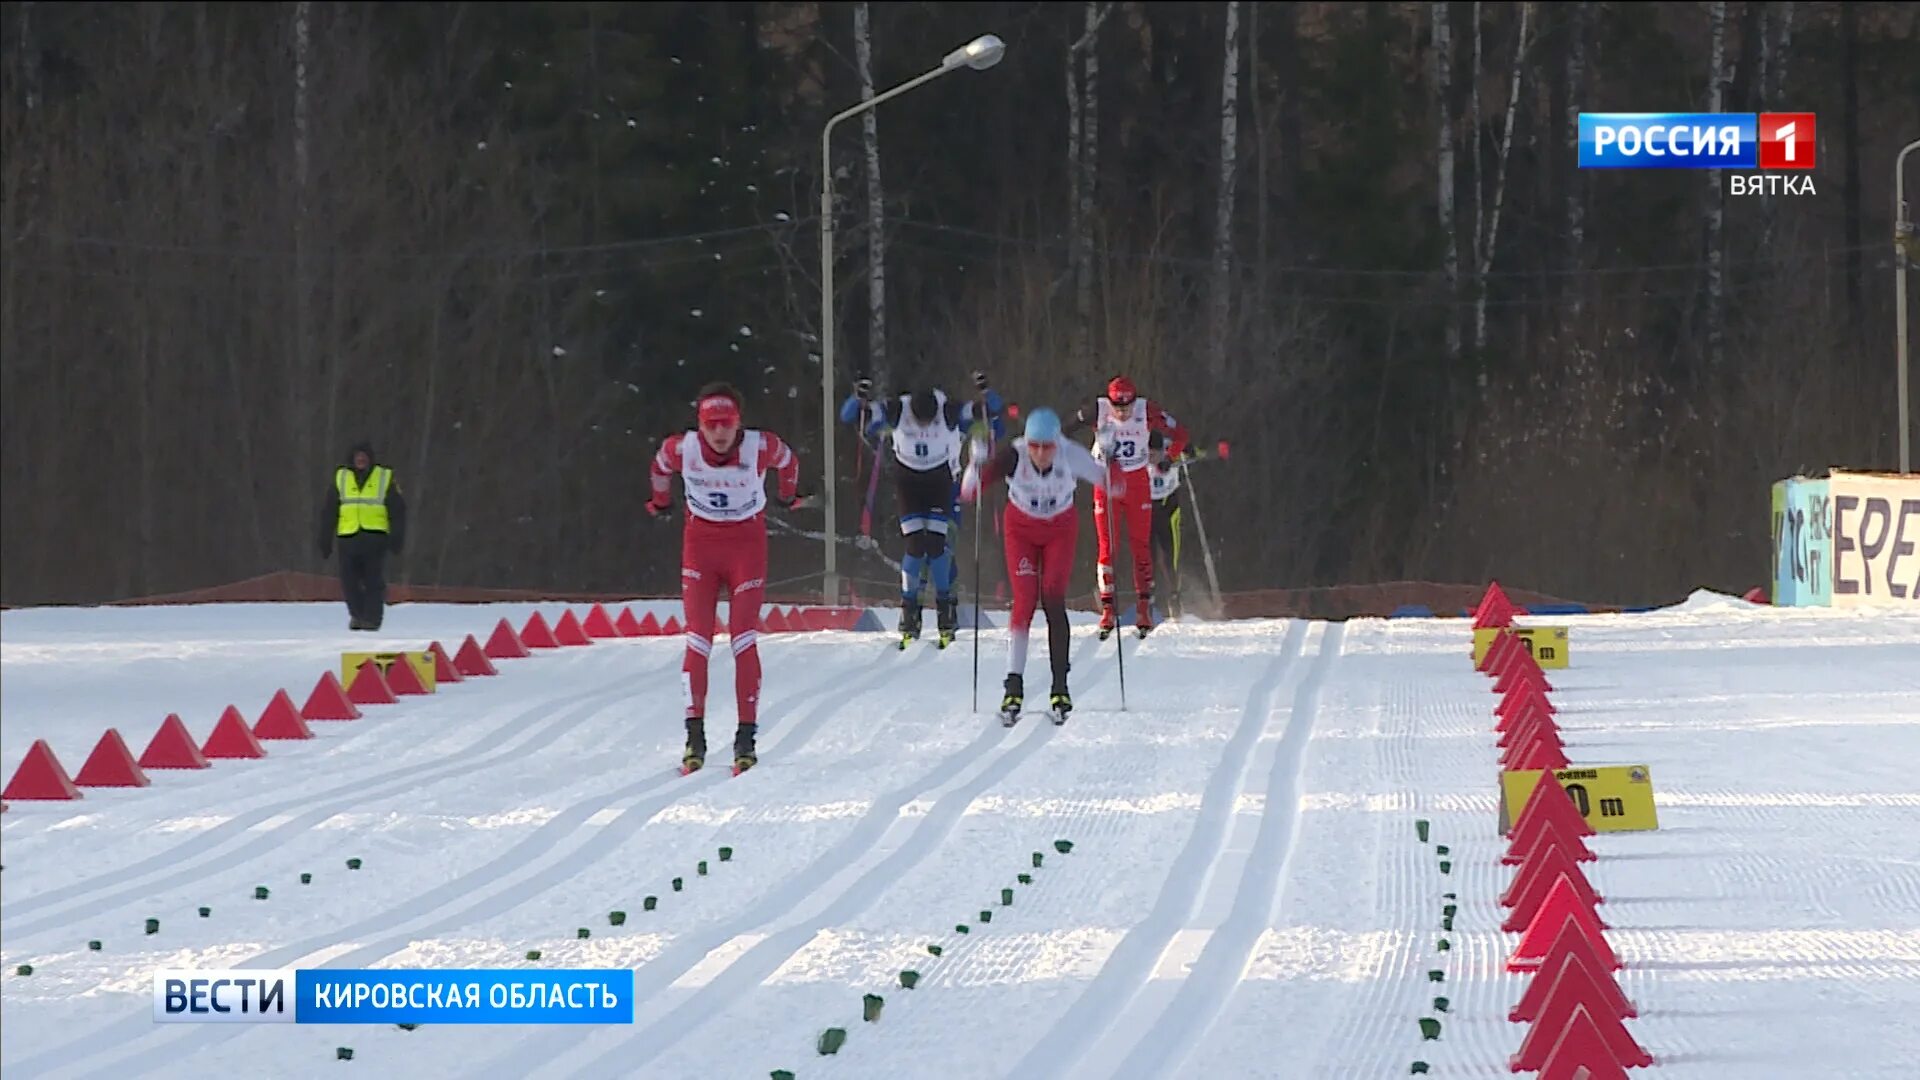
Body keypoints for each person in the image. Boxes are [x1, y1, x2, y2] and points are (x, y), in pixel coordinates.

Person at [646, 382, 806, 776]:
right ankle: (694, 736)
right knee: (697, 639)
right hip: (700, 546)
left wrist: (788, 494)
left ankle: (745, 737)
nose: (719, 433)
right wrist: (661, 503)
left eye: (727, 424)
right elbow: (659, 469)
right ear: (700, 425)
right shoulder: (681, 449)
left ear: (739, 424)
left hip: (745, 547)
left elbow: (790, 463)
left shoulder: (761, 446)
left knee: (743, 638)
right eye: (711, 425)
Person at [960, 407, 1120, 726]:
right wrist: (975, 463)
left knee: (1052, 598)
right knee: (1024, 602)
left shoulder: (1070, 455)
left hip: (1060, 529)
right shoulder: (1013, 457)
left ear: (1057, 444)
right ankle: (1013, 687)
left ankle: (1060, 687)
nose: (1041, 453)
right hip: (1020, 529)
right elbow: (969, 491)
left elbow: (1115, 486)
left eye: (1048, 446)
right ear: (1027, 442)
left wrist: (1108, 455)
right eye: (1035, 445)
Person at [840, 371, 1004, 647]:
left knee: (937, 547)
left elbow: (991, 414)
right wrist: (859, 398)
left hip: (940, 481)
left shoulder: (948, 410)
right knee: (915, 547)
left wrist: (986, 393)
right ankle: (909, 611)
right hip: (909, 483)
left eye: (929, 421)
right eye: (919, 421)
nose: (924, 425)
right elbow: (851, 417)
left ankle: (945, 610)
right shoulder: (898, 409)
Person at [1063, 375, 1189, 639]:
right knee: (1107, 547)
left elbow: (1181, 434)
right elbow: (1064, 431)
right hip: (1106, 481)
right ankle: (1108, 610)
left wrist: (1169, 456)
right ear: (1109, 402)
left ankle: (1144, 608)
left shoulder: (1147, 411)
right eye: (1118, 407)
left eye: (1127, 407)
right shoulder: (1096, 410)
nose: (1122, 412)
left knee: (1141, 545)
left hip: (1136, 482)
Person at [318, 439, 407, 632]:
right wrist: (325, 538)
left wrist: (397, 536)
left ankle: (372, 619)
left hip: (375, 537)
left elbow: (398, 510)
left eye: (364, 456)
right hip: (348, 536)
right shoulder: (341, 477)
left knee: (373, 580)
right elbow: (329, 510)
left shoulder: (384, 477)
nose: (360, 459)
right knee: (349, 580)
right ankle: (358, 615)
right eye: (357, 456)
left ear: (370, 458)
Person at [1147, 431, 1186, 622]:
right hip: (1146, 509)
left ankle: (1174, 598)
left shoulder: (1171, 449)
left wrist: (1170, 459)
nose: (1151, 458)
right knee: (1148, 558)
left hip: (1169, 508)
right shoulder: (1137, 453)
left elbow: (1185, 443)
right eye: (1149, 454)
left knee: (1171, 557)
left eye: (1155, 454)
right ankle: (1149, 600)